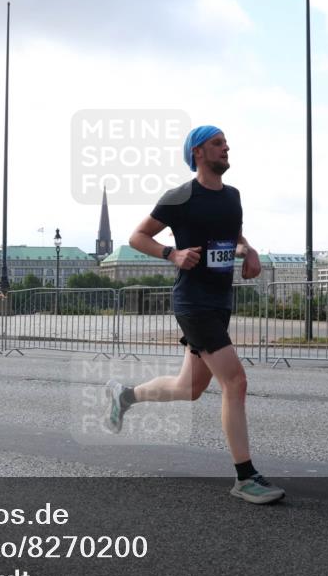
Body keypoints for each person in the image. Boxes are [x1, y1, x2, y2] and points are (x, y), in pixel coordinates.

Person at [105, 125, 284, 505]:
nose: (226, 147)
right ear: (198, 152)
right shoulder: (180, 197)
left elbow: (234, 238)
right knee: (235, 382)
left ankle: (125, 396)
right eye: (218, 143)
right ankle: (245, 476)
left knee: (190, 389)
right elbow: (138, 236)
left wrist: (249, 252)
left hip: (220, 302)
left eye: (226, 142)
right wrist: (172, 254)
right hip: (193, 303)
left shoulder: (233, 197)